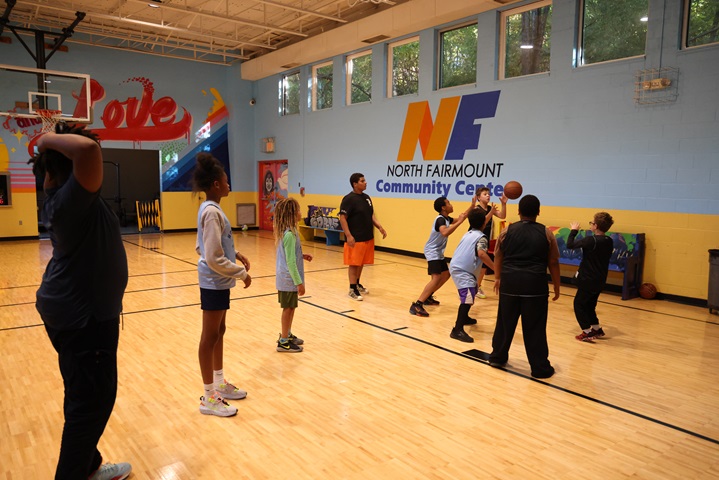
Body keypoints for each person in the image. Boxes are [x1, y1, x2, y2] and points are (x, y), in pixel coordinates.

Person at [29, 124, 132, 480]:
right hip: (84, 320)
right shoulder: (70, 199)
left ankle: (88, 466)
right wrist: (44, 139)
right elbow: (88, 152)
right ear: (62, 169)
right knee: (91, 405)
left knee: (83, 396)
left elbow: (86, 153)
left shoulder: (73, 198)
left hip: (78, 315)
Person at [193, 153, 252, 417]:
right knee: (209, 337)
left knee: (220, 331)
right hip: (213, 282)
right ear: (216, 184)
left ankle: (219, 383)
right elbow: (213, 256)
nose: (229, 184)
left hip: (218, 282)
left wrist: (235, 254)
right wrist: (241, 272)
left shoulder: (210, 210)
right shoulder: (211, 212)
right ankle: (209, 397)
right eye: (226, 181)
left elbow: (203, 247)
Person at [488, 195, 560, 379]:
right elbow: (553, 262)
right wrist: (557, 286)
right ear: (538, 212)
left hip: (510, 283)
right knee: (534, 327)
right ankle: (539, 368)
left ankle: (497, 357)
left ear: (518, 211)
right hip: (535, 285)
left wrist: (497, 277)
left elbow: (498, 256)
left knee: (505, 323)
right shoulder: (546, 233)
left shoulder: (507, 231)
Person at [410, 196, 476, 317]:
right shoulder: (440, 220)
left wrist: (471, 207)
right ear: (443, 207)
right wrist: (460, 222)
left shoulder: (446, 218)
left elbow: (461, 217)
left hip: (438, 252)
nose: (451, 205)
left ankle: (428, 296)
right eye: (448, 203)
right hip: (432, 252)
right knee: (436, 278)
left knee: (446, 274)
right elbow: (445, 232)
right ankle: (417, 304)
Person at [448, 208, 495, 342]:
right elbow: (481, 254)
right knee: (467, 298)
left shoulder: (468, 233)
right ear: (484, 224)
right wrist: (495, 268)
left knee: (472, 292)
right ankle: (457, 329)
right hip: (462, 270)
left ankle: (465, 317)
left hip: (459, 267)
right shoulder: (482, 237)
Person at [339, 173, 387, 301]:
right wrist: (348, 235)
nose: (365, 182)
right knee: (354, 264)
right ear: (355, 184)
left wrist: (379, 227)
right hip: (355, 238)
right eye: (362, 181)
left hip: (367, 237)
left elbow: (371, 215)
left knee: (361, 263)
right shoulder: (348, 199)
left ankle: (357, 283)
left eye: (365, 180)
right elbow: (343, 218)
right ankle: (352, 289)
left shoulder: (366, 198)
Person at [273, 197, 313, 352]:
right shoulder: (289, 234)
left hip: (290, 279)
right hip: (288, 279)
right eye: (298, 210)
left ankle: (287, 334)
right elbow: (289, 261)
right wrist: (298, 282)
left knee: (292, 307)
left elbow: (291, 255)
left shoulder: (292, 232)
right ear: (291, 214)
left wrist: (302, 255)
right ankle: (283, 341)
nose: (300, 213)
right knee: (288, 308)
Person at [567, 212, 615, 342]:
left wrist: (573, 231)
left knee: (578, 304)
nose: (591, 224)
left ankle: (587, 332)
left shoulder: (591, 240)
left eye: (592, 223)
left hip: (588, 279)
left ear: (596, 226)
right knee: (590, 305)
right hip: (600, 279)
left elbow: (570, 245)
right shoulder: (609, 241)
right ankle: (596, 329)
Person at [474, 187, 507, 299]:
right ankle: (473, 287)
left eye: (488, 194)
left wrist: (504, 204)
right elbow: (482, 221)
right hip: (476, 239)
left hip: (485, 239)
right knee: (479, 266)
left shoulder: (489, 208)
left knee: (482, 267)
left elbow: (502, 216)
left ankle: (476, 287)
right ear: (478, 197)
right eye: (485, 194)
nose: (488, 195)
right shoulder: (477, 210)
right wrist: (492, 212)